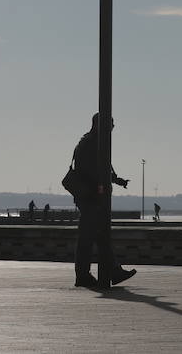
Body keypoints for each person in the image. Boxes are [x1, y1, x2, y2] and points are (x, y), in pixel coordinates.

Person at [68, 114, 135, 289]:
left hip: (90, 197)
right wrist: (103, 186)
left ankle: (112, 271)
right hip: (91, 198)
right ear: (100, 125)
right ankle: (86, 275)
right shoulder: (92, 143)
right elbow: (95, 170)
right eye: (111, 123)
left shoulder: (91, 142)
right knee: (89, 237)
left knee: (98, 236)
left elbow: (101, 169)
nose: (113, 126)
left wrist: (116, 180)